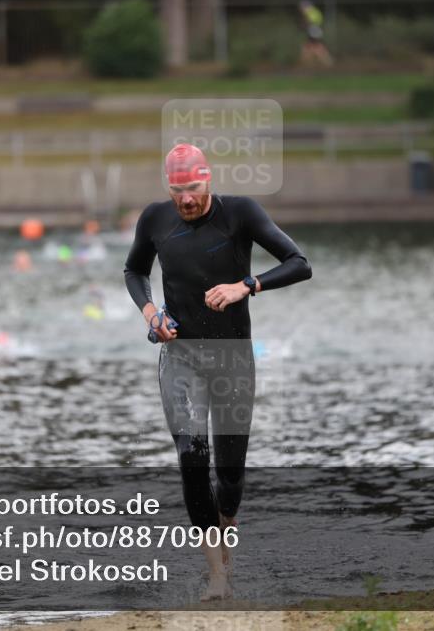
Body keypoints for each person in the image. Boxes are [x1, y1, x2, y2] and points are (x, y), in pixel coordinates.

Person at [123, 143, 312, 601]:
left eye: (193, 188)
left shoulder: (240, 213)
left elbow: (299, 264)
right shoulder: (155, 219)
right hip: (180, 356)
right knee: (191, 459)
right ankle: (217, 576)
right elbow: (134, 270)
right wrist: (151, 314)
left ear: (207, 180)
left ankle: (227, 534)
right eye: (178, 190)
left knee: (229, 477)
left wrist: (246, 285)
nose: (186, 199)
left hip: (232, 359)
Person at [298, 0, 333, 67]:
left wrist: (303, 25)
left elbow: (311, 22)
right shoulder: (312, 12)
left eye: (302, 7)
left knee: (314, 47)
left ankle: (327, 61)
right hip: (314, 32)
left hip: (315, 32)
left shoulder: (311, 12)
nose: (301, 9)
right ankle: (307, 62)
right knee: (311, 47)